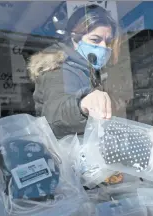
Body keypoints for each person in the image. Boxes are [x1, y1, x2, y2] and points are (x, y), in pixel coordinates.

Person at [28, 5, 120, 138]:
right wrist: (82, 106)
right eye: (95, 39)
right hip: (67, 156)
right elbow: (55, 114)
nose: (104, 47)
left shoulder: (88, 70)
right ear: (74, 39)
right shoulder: (58, 69)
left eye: (108, 41)